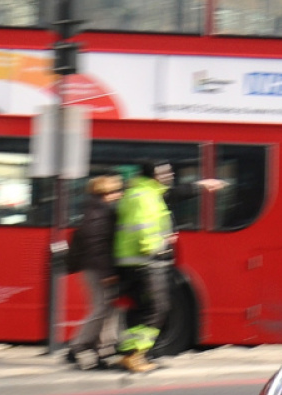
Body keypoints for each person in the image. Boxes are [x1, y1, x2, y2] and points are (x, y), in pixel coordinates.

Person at [114, 160, 224, 373]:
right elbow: (143, 225)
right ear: (152, 176)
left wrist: (201, 185)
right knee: (159, 308)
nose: (168, 176)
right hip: (147, 261)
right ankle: (136, 356)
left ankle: (130, 354)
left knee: (143, 309)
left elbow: (174, 193)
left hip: (134, 262)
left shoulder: (140, 191)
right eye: (163, 173)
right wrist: (155, 248)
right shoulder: (145, 197)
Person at [66, 175, 123, 371]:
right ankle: (78, 346)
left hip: (96, 266)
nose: (118, 195)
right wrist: (107, 272)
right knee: (101, 307)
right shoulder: (99, 212)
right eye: (115, 191)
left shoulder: (96, 210)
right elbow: (97, 245)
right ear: (104, 193)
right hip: (97, 268)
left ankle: (102, 350)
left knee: (108, 307)